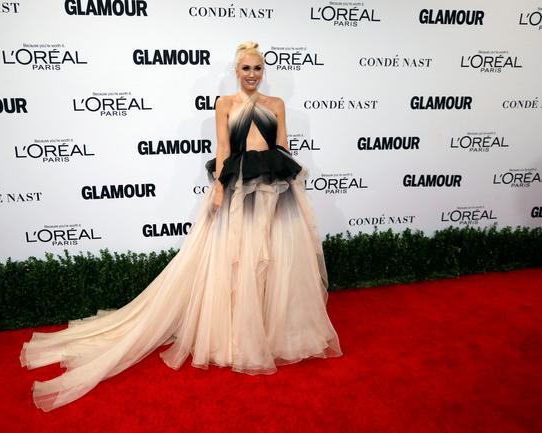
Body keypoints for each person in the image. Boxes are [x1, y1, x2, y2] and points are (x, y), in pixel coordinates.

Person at [20, 41, 342, 412]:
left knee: (273, 259)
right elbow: (223, 149)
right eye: (246, 68)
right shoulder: (225, 104)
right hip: (236, 189)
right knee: (237, 258)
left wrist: (290, 185)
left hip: (272, 190)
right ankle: (237, 334)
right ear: (236, 71)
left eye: (257, 68)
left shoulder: (276, 105)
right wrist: (219, 188)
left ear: (263, 71)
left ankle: (272, 331)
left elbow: (282, 146)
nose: (252, 75)